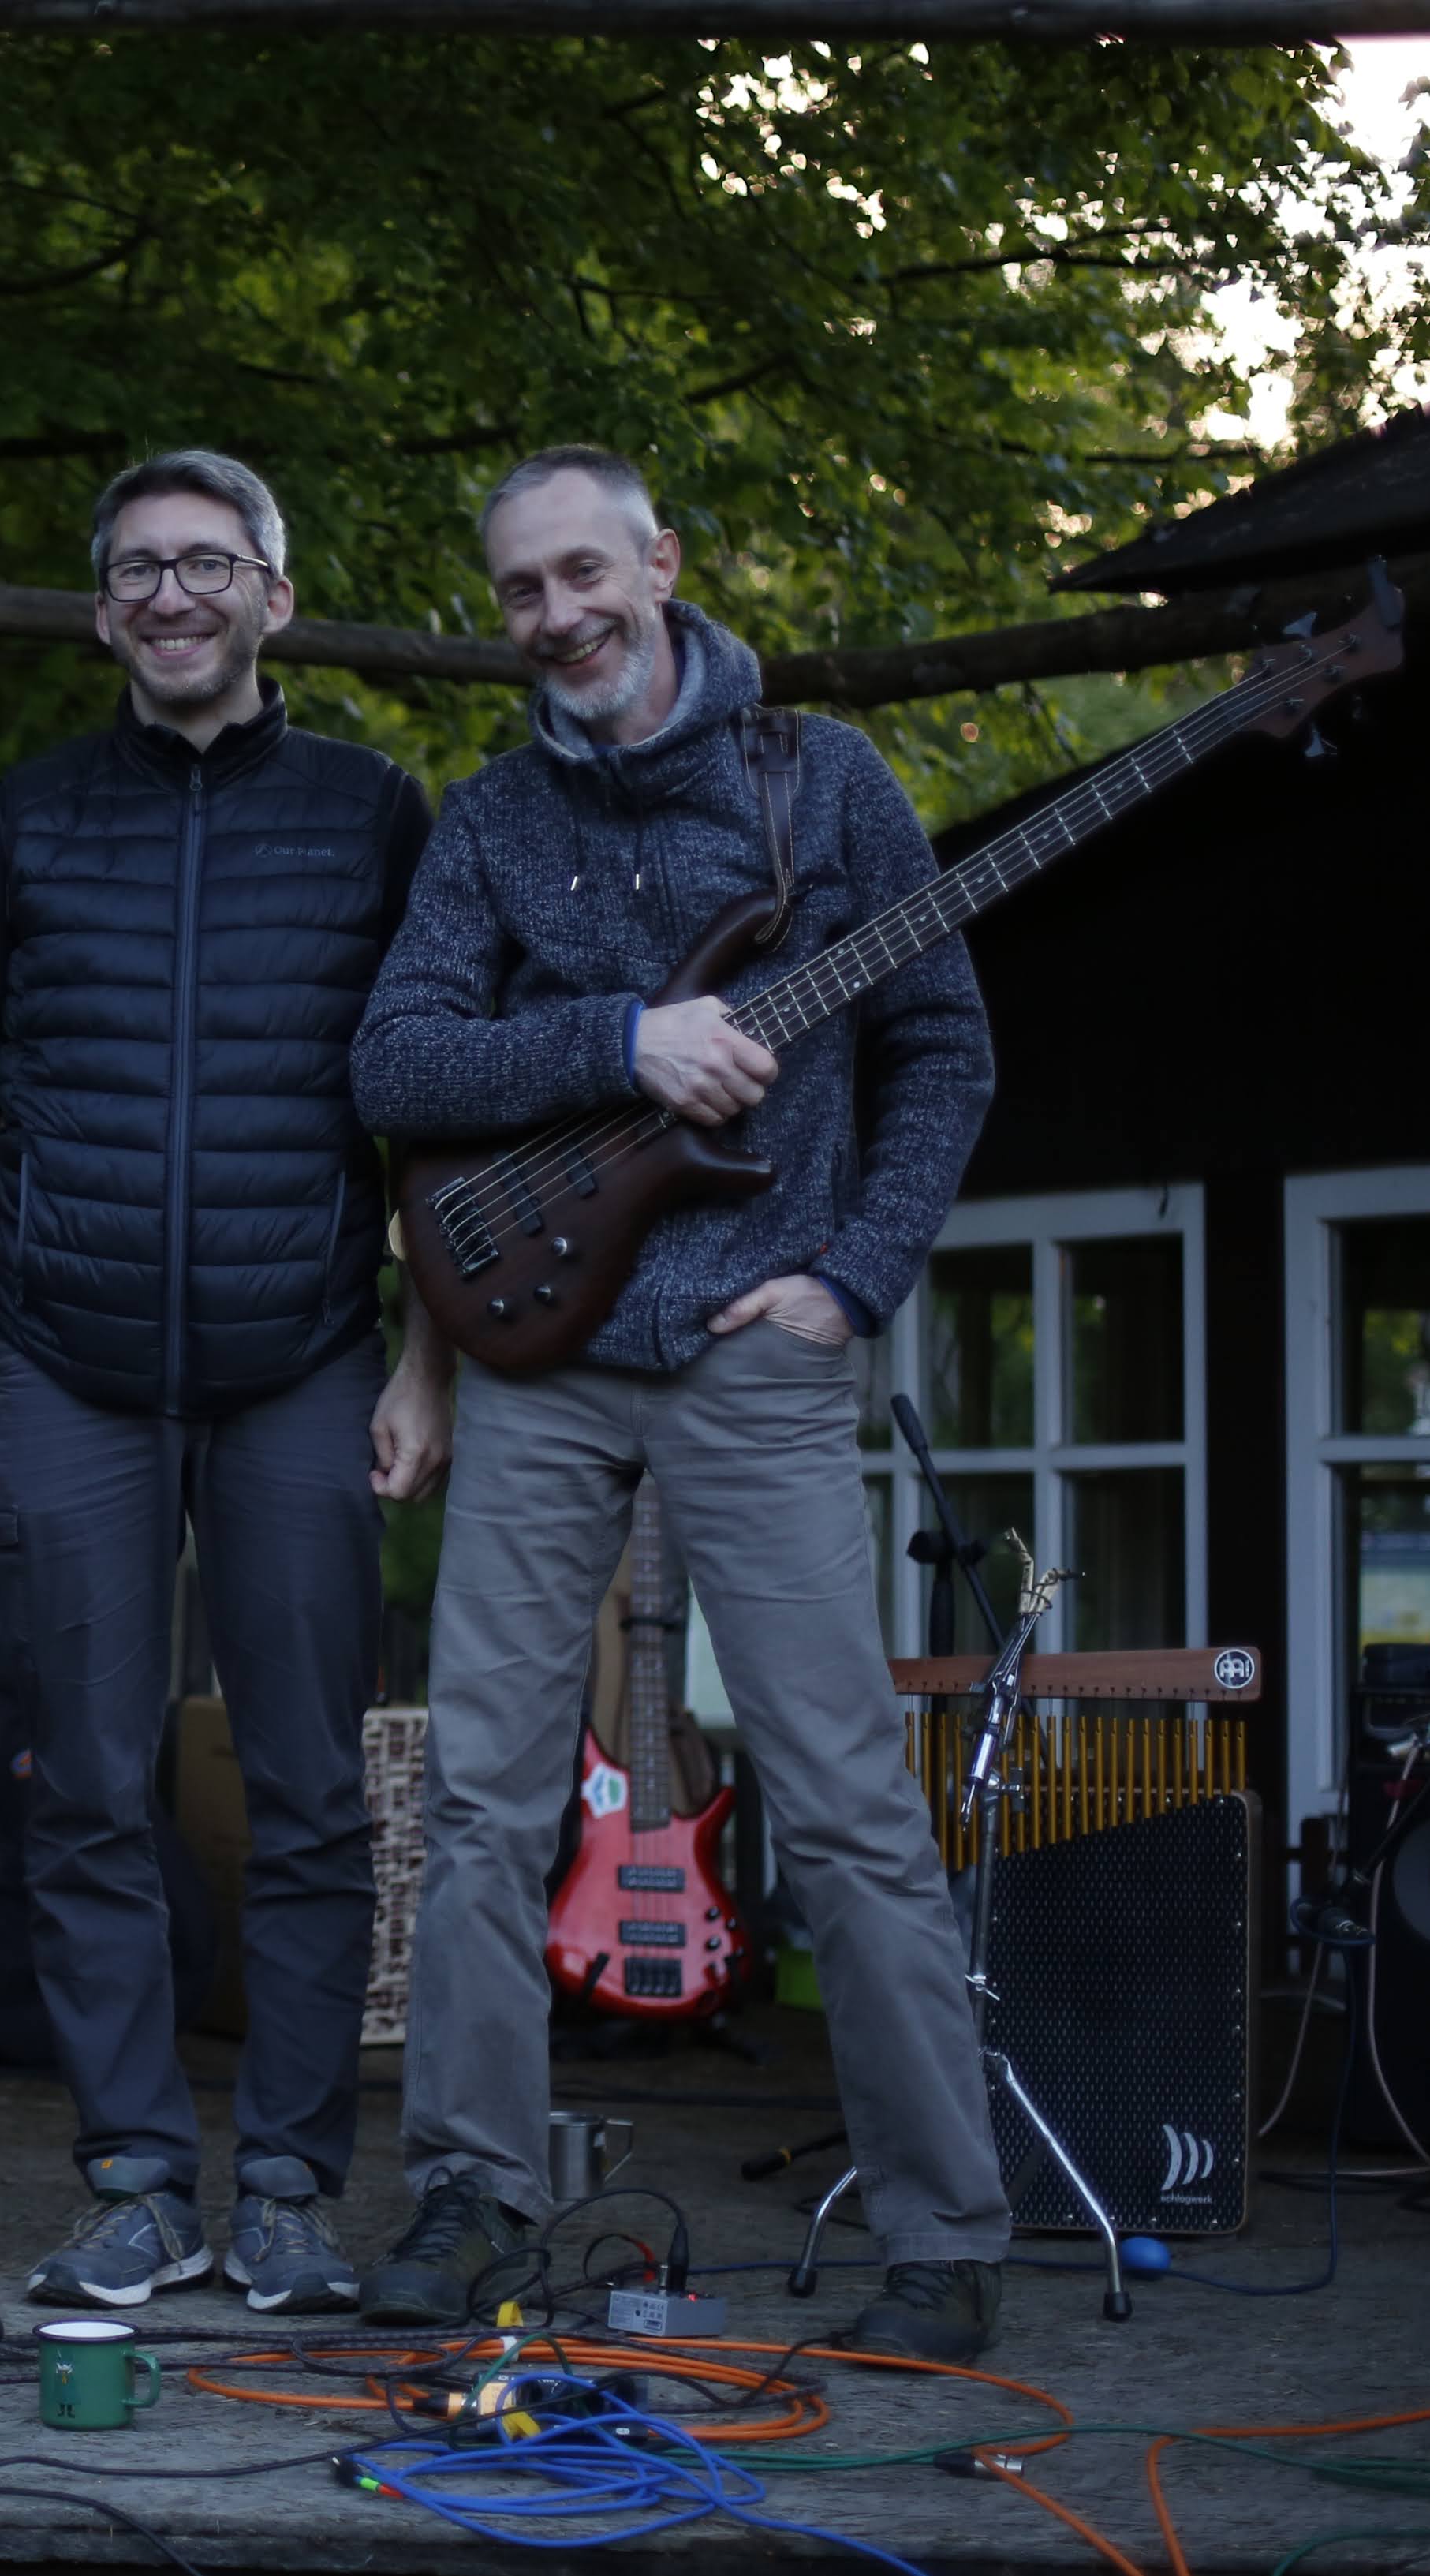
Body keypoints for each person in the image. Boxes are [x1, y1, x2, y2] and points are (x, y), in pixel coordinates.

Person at [349, 444, 1010, 2361]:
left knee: (844, 1797)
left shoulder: (826, 782)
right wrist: (617, 1040)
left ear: (657, 562)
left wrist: (854, 1279)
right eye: (520, 590)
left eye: (582, 573)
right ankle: (475, 2197)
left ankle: (941, 2236)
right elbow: (393, 1063)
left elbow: (945, 1051)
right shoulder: (489, 823)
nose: (555, 615)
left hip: (756, 1349)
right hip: (540, 1358)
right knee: (479, 1798)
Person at [0, 451, 447, 2314]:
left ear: (273, 599)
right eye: (137, 570)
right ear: (99, 612)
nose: (170, 595)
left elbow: (432, 1103)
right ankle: (137, 2179)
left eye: (207, 564)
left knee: (311, 1786)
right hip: (63, 1369)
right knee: (84, 1787)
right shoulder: (24, 821)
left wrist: (427, 1354)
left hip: (304, 1361)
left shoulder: (377, 813)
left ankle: (289, 2184)